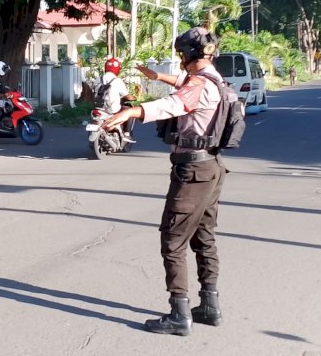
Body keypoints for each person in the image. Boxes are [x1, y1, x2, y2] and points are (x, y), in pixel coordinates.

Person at [101, 27, 227, 336]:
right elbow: (183, 86)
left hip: (193, 172)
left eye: (182, 55)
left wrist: (135, 110)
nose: (180, 60)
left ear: (188, 55)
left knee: (173, 241)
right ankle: (209, 306)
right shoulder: (215, 79)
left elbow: (175, 104)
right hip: (212, 167)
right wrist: (157, 77)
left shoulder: (199, 85)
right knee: (203, 236)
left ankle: (179, 314)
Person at [96, 57, 136, 140]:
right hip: (112, 109)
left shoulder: (98, 79)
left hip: (98, 107)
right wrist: (134, 98)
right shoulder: (117, 80)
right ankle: (127, 133)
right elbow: (127, 96)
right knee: (129, 111)